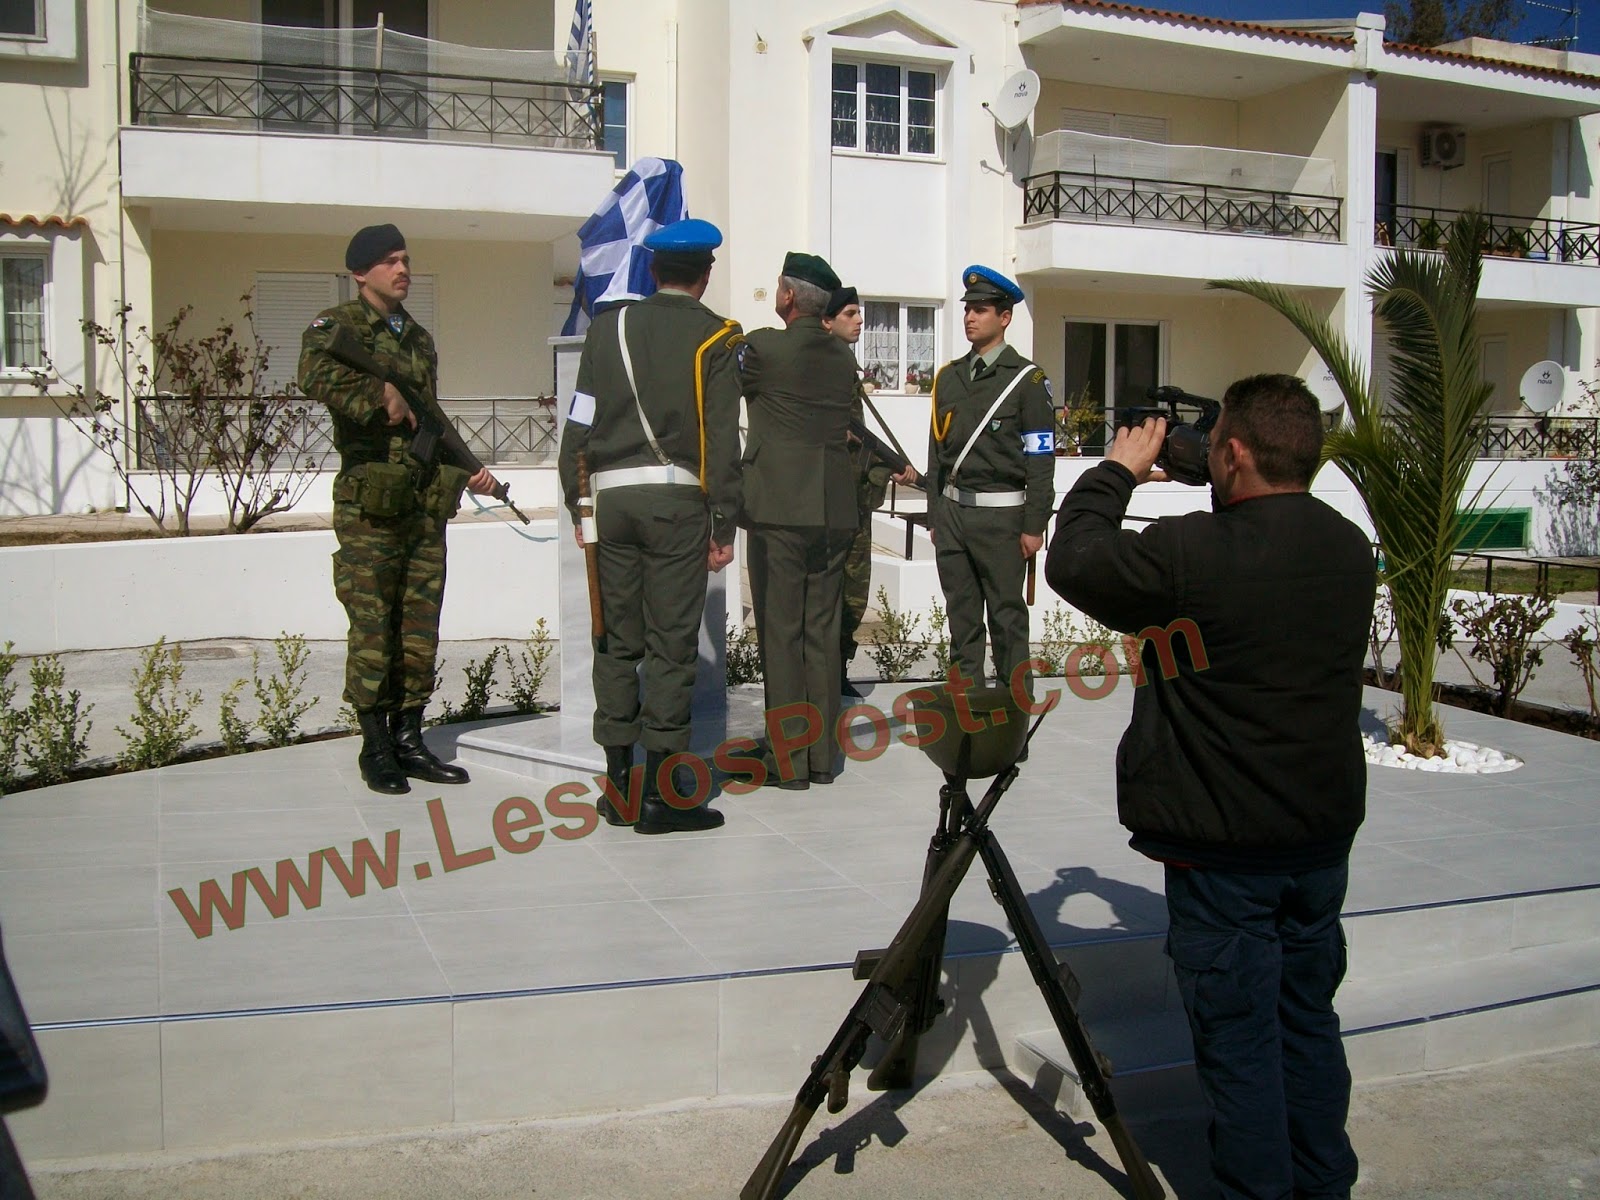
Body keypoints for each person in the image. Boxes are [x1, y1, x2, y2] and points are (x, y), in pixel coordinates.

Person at [1044, 373, 1377, 1200]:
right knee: (1306, 1021)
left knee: (1239, 1042)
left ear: (1232, 451)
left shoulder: (1193, 554)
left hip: (1225, 853)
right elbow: (1263, 533)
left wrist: (1117, 469)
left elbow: (1076, 558)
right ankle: (1323, 1180)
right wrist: (1206, 474)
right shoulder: (1346, 548)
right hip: (1318, 845)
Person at [300, 223, 500, 795]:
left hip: (419, 506)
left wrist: (469, 471)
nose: (402, 269)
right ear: (360, 272)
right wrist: (376, 395)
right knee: (372, 628)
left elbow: (429, 422)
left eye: (406, 259)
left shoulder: (418, 338)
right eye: (389, 261)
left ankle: (411, 739)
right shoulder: (335, 327)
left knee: (418, 627)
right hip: (370, 508)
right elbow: (312, 374)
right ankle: (375, 746)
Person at [558, 218, 740, 835]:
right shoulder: (716, 337)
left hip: (610, 506)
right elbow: (719, 442)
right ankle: (661, 796)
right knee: (670, 645)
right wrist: (724, 524)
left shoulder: (607, 331)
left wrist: (578, 507)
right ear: (705, 273)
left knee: (615, 640)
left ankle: (617, 789)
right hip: (674, 507)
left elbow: (577, 429)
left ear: (653, 270)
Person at [739, 253, 859, 789]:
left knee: (782, 631)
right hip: (834, 506)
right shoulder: (841, 357)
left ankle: (787, 762)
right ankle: (820, 758)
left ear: (788, 297)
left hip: (780, 508)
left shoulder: (764, 348)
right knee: (821, 629)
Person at [926, 266, 1054, 696]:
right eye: (968, 310)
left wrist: (1035, 525)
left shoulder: (1028, 381)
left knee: (1006, 622)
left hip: (1003, 519)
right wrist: (935, 515)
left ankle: (1013, 723)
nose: (970, 318)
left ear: (1005, 317)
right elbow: (937, 451)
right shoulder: (949, 376)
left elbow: (1041, 458)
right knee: (961, 622)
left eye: (980, 310)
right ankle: (968, 716)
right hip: (954, 515)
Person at [823, 286, 919, 696]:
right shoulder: (831, 365)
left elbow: (858, 436)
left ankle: (835, 668)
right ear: (827, 321)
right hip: (841, 501)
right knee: (847, 587)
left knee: (851, 588)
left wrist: (888, 465)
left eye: (860, 313)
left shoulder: (842, 363)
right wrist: (887, 465)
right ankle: (831, 670)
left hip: (849, 497)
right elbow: (842, 434)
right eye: (849, 313)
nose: (860, 320)